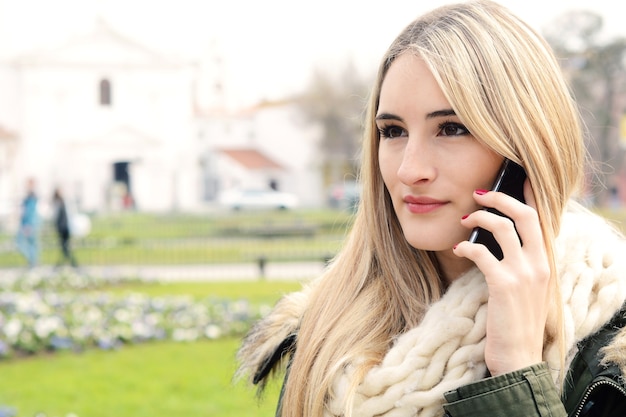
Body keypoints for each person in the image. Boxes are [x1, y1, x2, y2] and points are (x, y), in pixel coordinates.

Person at [237, 1, 626, 416]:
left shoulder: (610, 355)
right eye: (393, 131)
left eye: (452, 128)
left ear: (526, 151)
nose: (409, 169)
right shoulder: (327, 327)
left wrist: (516, 373)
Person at [15, 177, 40, 268]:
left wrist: (28, 224)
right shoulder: (29, 197)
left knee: (22, 243)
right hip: (28, 223)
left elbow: (30, 213)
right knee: (31, 244)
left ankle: (33, 262)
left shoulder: (31, 197)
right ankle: (33, 262)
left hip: (28, 224)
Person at [52, 187, 78, 268]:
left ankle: (64, 264)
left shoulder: (61, 202)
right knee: (65, 247)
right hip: (63, 227)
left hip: (64, 227)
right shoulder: (59, 202)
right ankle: (70, 263)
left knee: (65, 247)